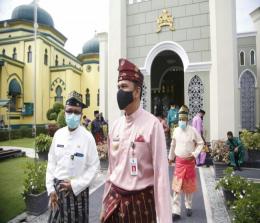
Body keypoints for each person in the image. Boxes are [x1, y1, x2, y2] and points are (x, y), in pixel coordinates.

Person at [100, 58, 172, 223]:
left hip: (141, 206)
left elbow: (161, 177)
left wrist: (165, 219)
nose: (120, 92)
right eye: (118, 87)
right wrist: (104, 204)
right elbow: (111, 171)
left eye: (124, 87)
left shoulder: (153, 126)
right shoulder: (115, 126)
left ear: (137, 91)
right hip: (115, 201)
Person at [46, 91, 100, 223]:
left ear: (81, 115)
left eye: (76, 112)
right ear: (64, 112)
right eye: (70, 111)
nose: (73, 115)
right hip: (57, 193)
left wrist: (75, 184)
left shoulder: (87, 138)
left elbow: (95, 167)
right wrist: (50, 189)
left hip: (78, 194)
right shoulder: (58, 134)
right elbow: (51, 162)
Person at [168, 105, 204, 221]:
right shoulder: (176, 130)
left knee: (188, 187)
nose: (181, 122)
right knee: (177, 188)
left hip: (189, 162)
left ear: (187, 120)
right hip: (179, 162)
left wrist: (194, 154)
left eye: (183, 119)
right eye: (180, 119)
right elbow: (172, 145)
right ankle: (176, 211)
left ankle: (188, 206)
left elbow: (200, 143)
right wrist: (170, 157)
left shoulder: (193, 131)